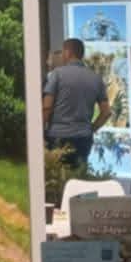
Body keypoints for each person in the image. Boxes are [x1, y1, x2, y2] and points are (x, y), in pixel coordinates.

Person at [43, 38, 110, 172]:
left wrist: (40, 131)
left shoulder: (57, 74)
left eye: (63, 52)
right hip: (83, 139)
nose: (62, 56)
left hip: (57, 137)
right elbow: (106, 113)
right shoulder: (96, 78)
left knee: (56, 179)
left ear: (68, 53)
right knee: (79, 178)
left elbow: (47, 107)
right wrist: (91, 129)